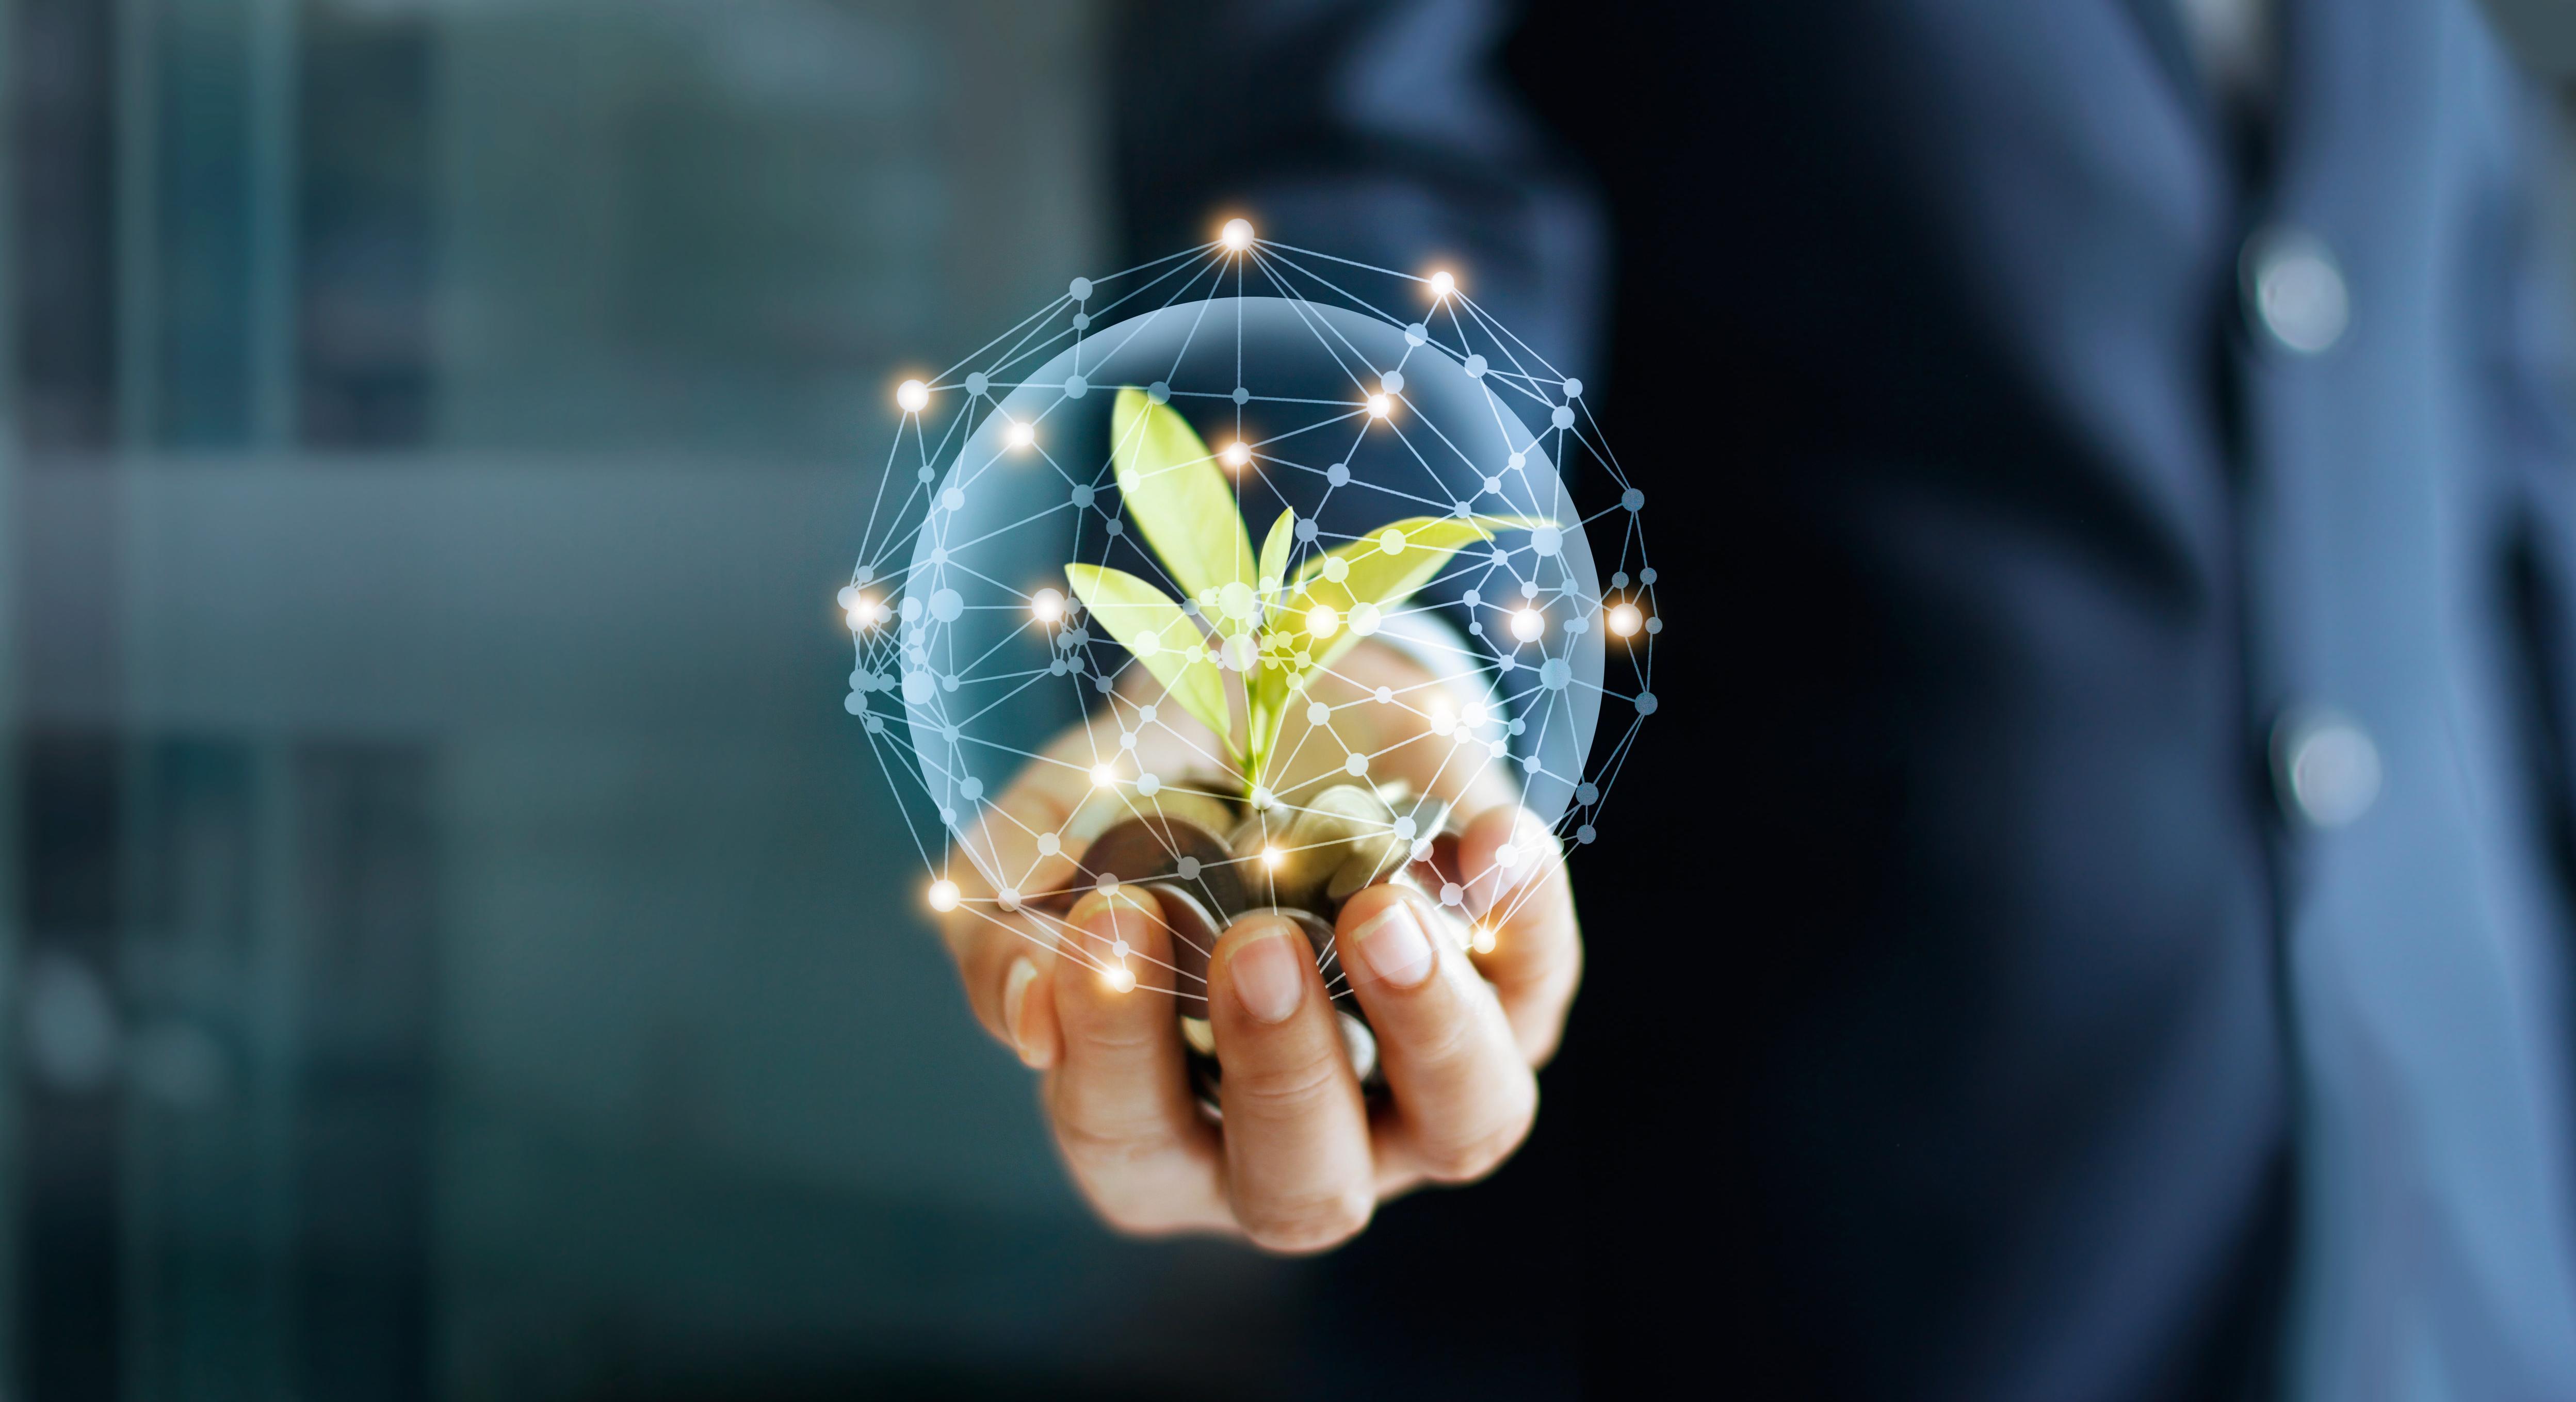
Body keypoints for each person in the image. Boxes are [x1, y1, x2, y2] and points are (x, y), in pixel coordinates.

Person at [947, 0, 2576, 1394]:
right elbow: (1346, 162)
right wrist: (1355, 654)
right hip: (1804, 1263)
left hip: (2461, 1249)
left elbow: (2472, 414)